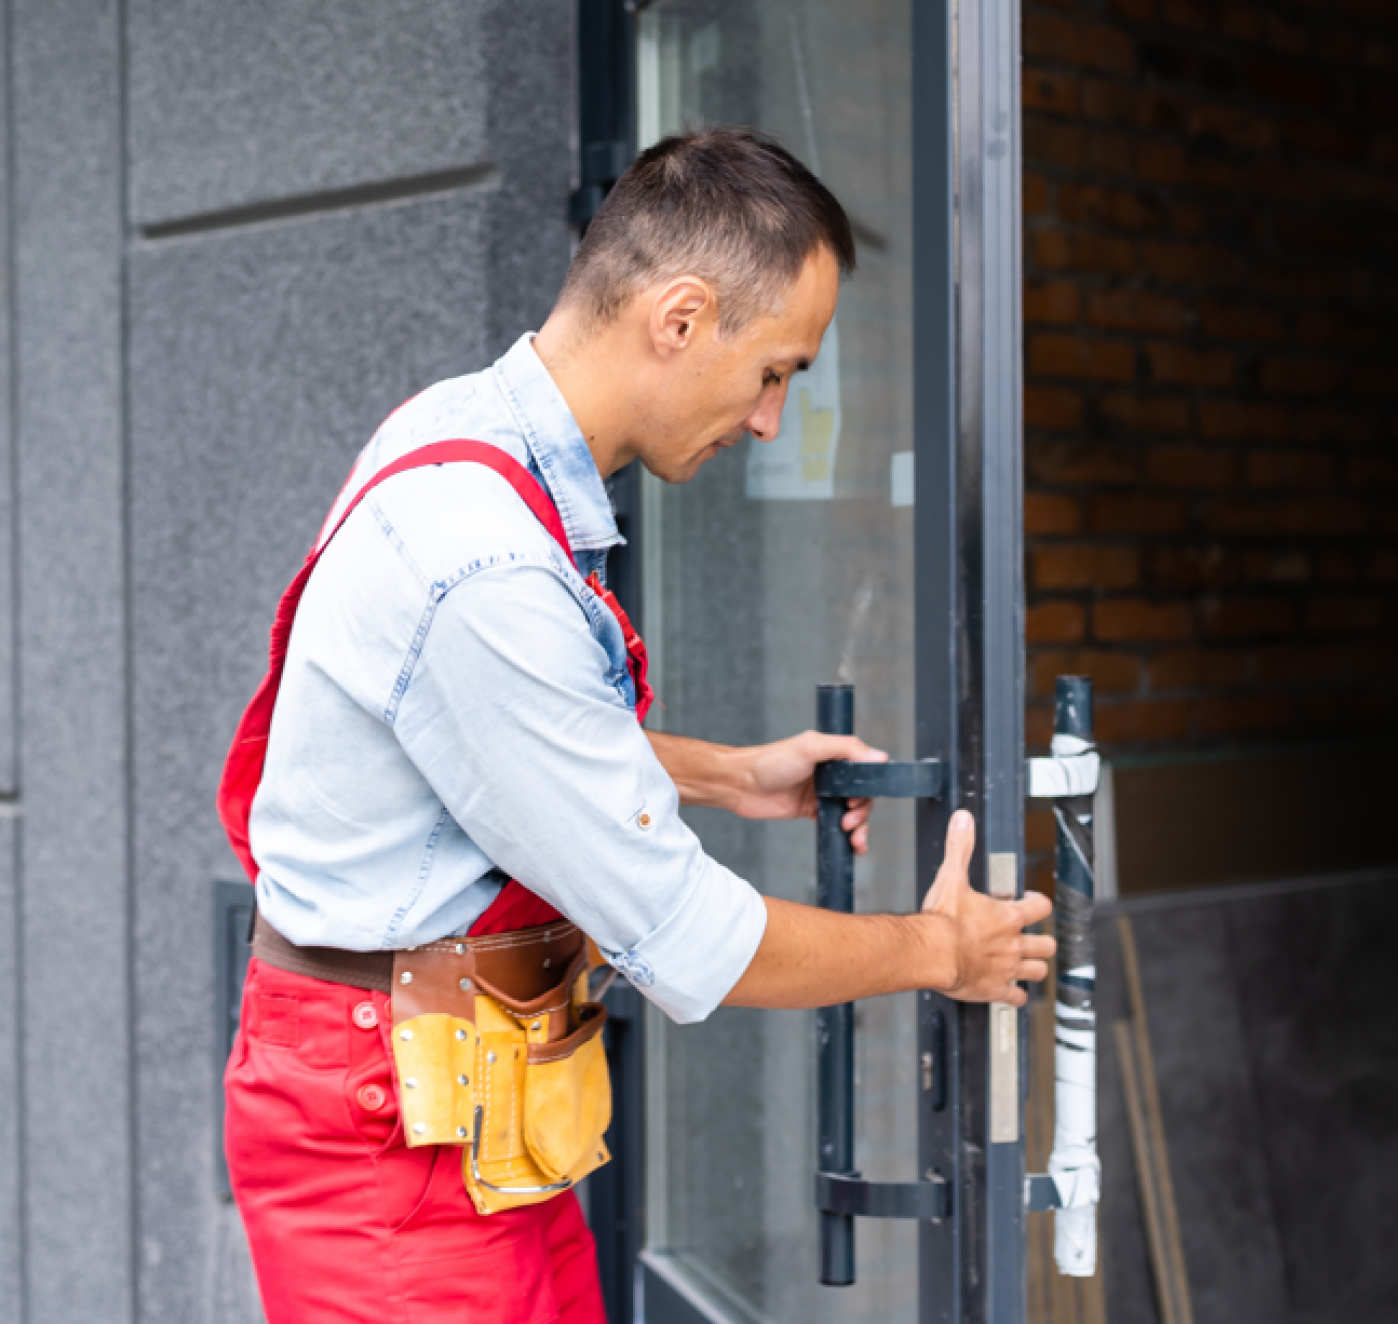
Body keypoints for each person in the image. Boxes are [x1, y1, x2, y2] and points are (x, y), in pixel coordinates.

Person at [219, 125, 1054, 1322]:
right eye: (774, 370)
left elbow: (486, 743)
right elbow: (685, 934)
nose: (769, 418)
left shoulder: (463, 432)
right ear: (678, 317)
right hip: (384, 1141)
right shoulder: (484, 560)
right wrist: (940, 951)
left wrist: (730, 773)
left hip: (469, 1100)